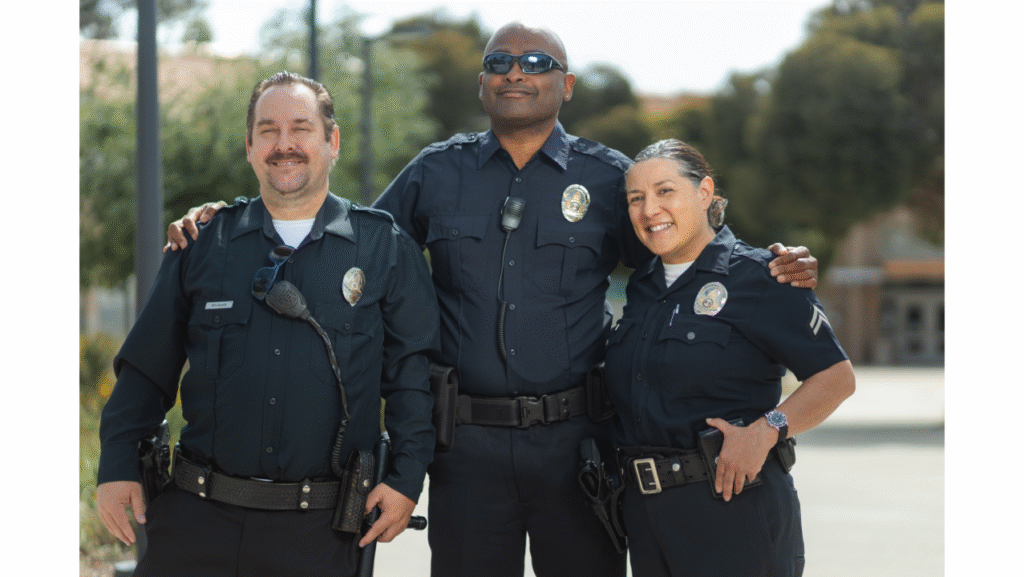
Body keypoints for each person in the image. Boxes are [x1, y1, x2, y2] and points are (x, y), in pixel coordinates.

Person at [166, 23, 819, 577]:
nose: (515, 72)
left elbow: (683, 246)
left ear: (566, 84)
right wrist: (229, 218)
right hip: (466, 449)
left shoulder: (608, 177)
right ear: (482, 84)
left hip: (579, 446)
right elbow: (345, 243)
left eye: (536, 63)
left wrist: (768, 264)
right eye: (499, 62)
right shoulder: (435, 171)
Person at [96, 71, 440, 577]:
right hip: (196, 523)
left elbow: (412, 377)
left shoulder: (383, 249)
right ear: (250, 146)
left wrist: (407, 479)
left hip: (320, 534)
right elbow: (147, 368)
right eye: (268, 130)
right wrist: (117, 464)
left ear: (332, 142)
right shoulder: (201, 244)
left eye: (301, 128)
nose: (284, 144)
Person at [605, 138, 856, 577]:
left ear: (704, 192)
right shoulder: (642, 287)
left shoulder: (762, 276)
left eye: (665, 191)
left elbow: (836, 378)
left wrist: (768, 430)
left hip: (732, 507)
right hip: (647, 520)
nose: (649, 210)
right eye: (636, 198)